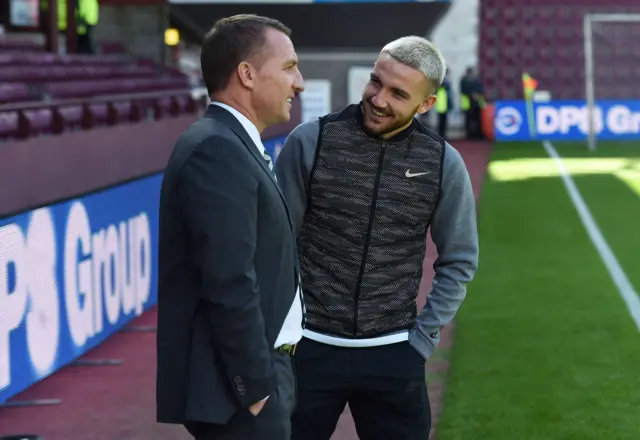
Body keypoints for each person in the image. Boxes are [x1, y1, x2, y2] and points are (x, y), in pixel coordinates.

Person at [274, 36, 479, 440]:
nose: (379, 99)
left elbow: (459, 259)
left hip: (395, 356)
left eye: (398, 94)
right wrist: (282, 334)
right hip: (307, 350)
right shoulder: (311, 141)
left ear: (426, 104)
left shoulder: (442, 162)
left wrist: (422, 338)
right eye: (375, 82)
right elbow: (276, 245)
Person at [156, 14, 305, 440]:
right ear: (247, 74)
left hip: (259, 377)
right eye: (290, 67)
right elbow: (229, 280)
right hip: (240, 393)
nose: (300, 83)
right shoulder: (216, 150)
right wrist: (256, 387)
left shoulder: (229, 143)